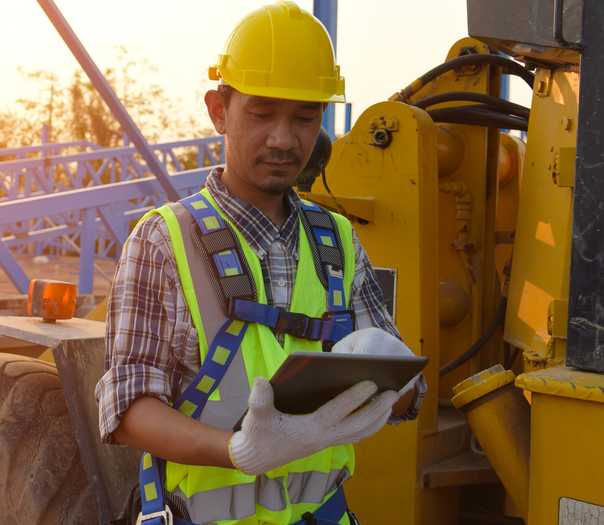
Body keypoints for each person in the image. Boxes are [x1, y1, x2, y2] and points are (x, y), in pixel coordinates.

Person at [95, 2, 426, 524]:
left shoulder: (337, 240)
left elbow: (406, 400)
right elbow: (128, 411)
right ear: (218, 109)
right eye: (262, 112)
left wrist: (395, 378)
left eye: (304, 116)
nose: (283, 138)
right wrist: (237, 451)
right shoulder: (165, 240)